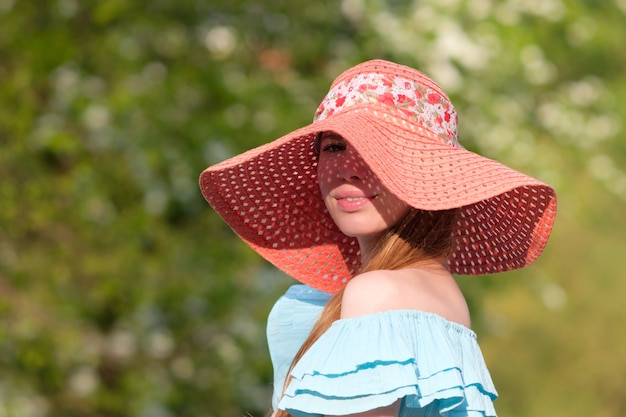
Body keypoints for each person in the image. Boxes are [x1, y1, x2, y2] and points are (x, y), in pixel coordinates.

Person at [199, 59, 557, 417]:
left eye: (379, 151)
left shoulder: (379, 294)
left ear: (429, 176)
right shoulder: (430, 293)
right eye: (334, 147)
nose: (348, 168)